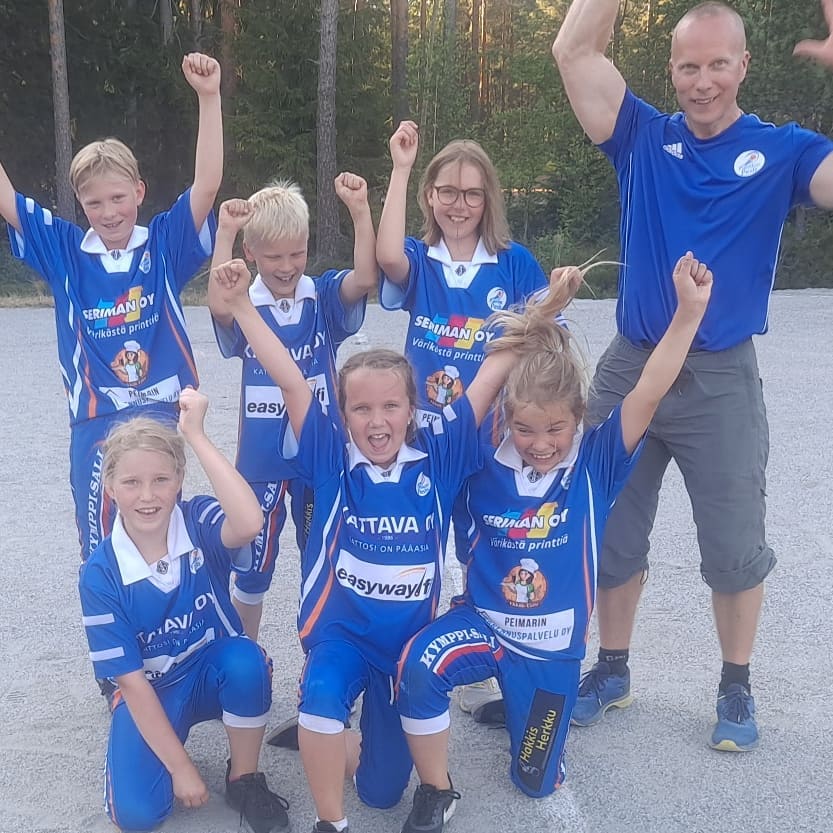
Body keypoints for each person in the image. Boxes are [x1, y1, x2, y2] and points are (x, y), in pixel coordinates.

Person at [552, 0, 833, 751]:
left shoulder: (783, 151)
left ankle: (735, 683)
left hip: (720, 376)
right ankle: (611, 669)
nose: (702, 81)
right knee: (608, 524)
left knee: (734, 544)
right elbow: (574, 51)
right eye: (687, 66)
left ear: (743, 65)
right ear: (670, 70)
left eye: (716, 65)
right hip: (632, 362)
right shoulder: (641, 137)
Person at [209, 256, 568, 833]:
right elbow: (291, 380)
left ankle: (347, 747)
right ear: (343, 414)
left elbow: (494, 367)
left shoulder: (440, 453)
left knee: (380, 791)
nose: (377, 422)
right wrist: (243, 307)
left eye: (390, 406)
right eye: (361, 408)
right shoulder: (330, 455)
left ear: (412, 408)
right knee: (321, 694)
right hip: (343, 636)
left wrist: (546, 307)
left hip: (404, 647)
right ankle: (330, 817)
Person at [395, 253, 712, 832]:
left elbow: (649, 388)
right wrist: (545, 309)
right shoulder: (480, 457)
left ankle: (522, 704)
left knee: (535, 782)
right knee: (418, 665)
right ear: (507, 419)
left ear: (579, 418)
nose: (540, 443)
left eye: (555, 429)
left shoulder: (595, 462)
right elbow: (485, 377)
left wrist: (688, 313)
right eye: (525, 428)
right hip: (484, 625)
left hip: (550, 650)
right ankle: (435, 789)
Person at [0, 52, 222, 559]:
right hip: (96, 422)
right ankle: (107, 612)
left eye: (119, 198)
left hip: (162, 414)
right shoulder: (65, 251)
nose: (109, 212)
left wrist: (209, 98)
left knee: (161, 534)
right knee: (99, 545)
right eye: (94, 202)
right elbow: (8, 199)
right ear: (80, 204)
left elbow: (207, 185)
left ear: (139, 192)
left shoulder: (162, 244)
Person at [376, 121, 549, 725]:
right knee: (419, 548)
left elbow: (543, 335)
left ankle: (500, 667)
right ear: (429, 196)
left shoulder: (513, 262)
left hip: (492, 439)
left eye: (472, 193)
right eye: (446, 191)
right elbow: (386, 256)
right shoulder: (420, 260)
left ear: (488, 199)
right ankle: (410, 664)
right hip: (428, 439)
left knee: (492, 550)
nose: (458, 204)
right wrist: (401, 167)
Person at [78, 387, 290, 833]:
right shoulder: (100, 574)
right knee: (137, 815)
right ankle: (163, 745)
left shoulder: (196, 519)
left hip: (209, 671)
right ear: (111, 488)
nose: (147, 495)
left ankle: (244, 778)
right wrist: (181, 768)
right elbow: (132, 682)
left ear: (179, 479)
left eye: (161, 479)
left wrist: (195, 435)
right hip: (153, 689)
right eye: (131, 483)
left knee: (246, 660)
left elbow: (250, 522)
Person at [207, 174, 377, 641]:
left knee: (323, 557)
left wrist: (360, 211)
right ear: (250, 253)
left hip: (318, 457)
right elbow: (220, 301)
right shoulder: (244, 303)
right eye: (274, 256)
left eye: (296, 254)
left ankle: (322, 658)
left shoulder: (321, 296)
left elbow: (365, 278)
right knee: (252, 570)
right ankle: (246, 660)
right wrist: (224, 233)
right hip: (260, 462)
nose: (287, 267)